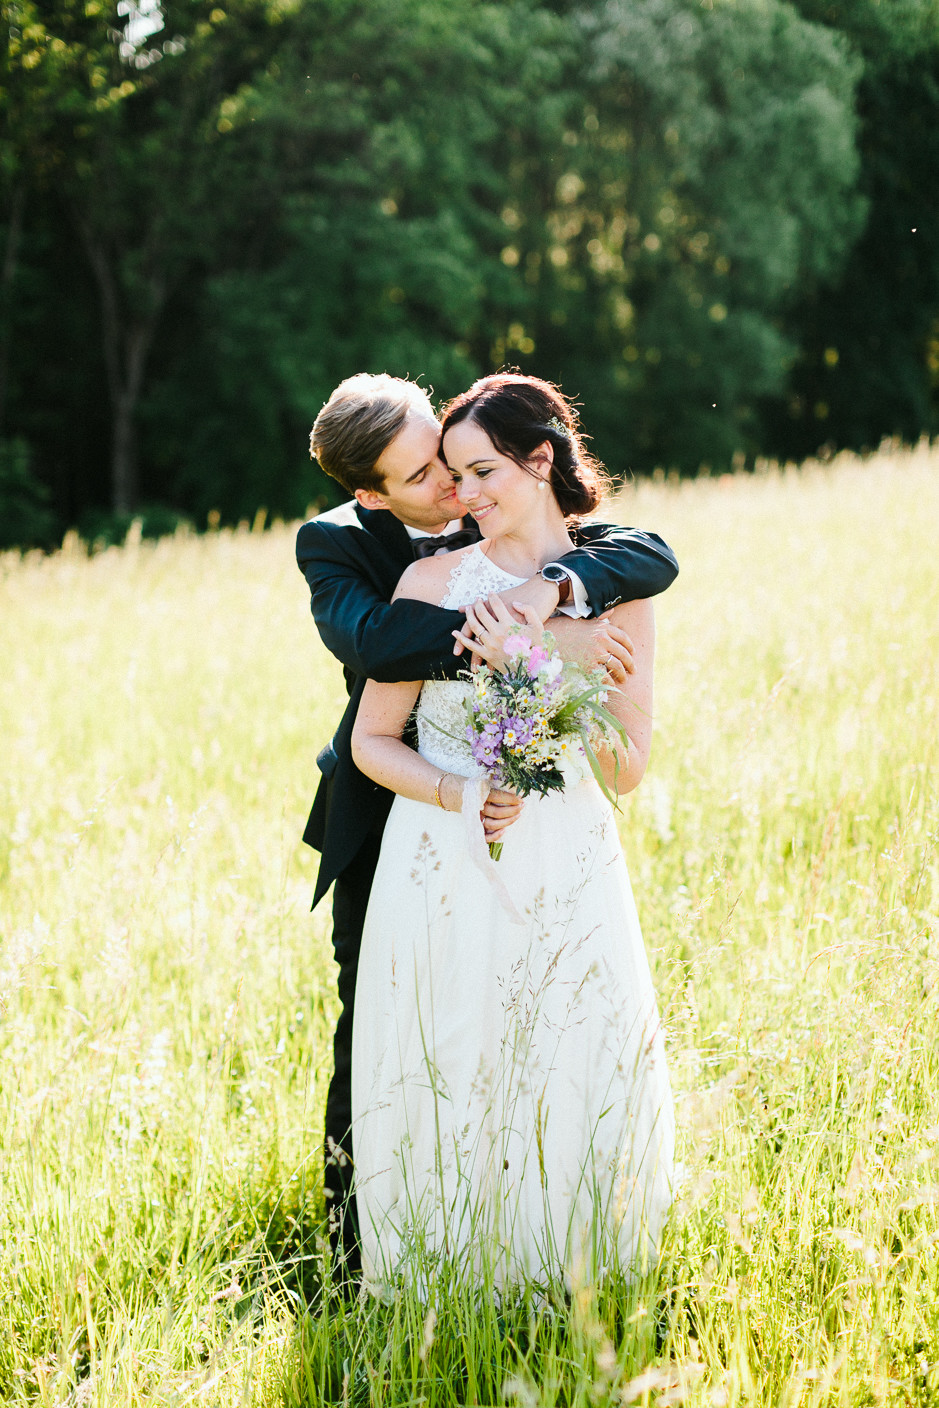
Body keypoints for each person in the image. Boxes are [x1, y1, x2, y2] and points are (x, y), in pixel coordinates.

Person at [296, 372, 679, 1276]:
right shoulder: (355, 551)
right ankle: (367, 1250)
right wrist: (520, 642)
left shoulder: (599, 568)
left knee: (565, 1039)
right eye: (432, 475)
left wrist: (557, 617)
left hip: (563, 848)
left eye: (466, 466)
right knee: (398, 1034)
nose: (456, 490)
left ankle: (568, 1251)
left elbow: (650, 568)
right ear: (374, 494)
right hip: (407, 829)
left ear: (533, 459)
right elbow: (379, 657)